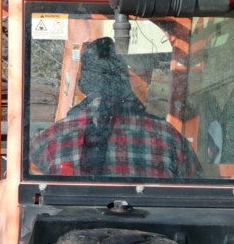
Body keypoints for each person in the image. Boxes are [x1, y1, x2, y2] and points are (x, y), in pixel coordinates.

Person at [30, 36, 201, 178]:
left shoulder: (49, 140)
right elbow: (197, 192)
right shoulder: (169, 138)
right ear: (125, 80)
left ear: (84, 82)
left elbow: (31, 191)